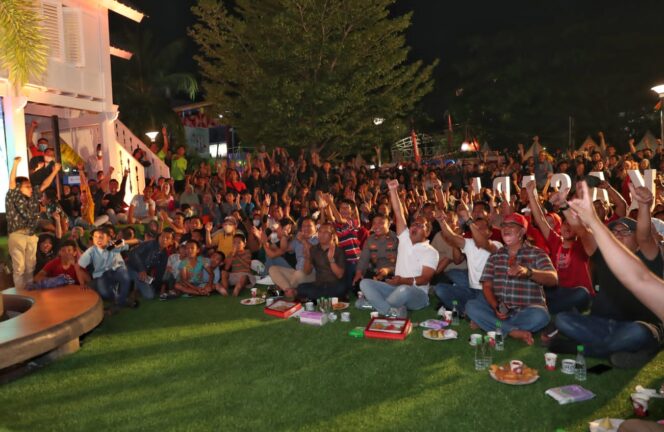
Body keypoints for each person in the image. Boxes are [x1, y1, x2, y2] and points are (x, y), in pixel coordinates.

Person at [554, 182, 663, 367]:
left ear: (636, 239)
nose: (618, 233)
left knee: (636, 333)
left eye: (625, 231)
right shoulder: (603, 256)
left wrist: (644, 206)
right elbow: (582, 231)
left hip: (637, 325)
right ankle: (625, 351)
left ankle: (582, 348)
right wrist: (564, 206)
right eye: (613, 231)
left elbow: (645, 235)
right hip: (601, 324)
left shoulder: (648, 256)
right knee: (562, 320)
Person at [465, 213, 558, 345]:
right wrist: (495, 307)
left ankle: (495, 326)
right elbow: (486, 286)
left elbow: (553, 279)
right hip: (500, 310)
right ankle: (512, 331)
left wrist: (528, 272)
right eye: (503, 225)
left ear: (523, 231)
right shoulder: (496, 256)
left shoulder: (537, 253)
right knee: (471, 306)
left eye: (511, 225)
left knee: (541, 316)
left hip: (527, 311)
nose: (505, 228)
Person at [359, 179, 439, 317]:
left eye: (420, 226)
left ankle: (375, 305)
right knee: (365, 283)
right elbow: (398, 212)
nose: (415, 226)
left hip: (417, 294)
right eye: (414, 224)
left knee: (404, 290)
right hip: (395, 288)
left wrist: (402, 281)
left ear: (427, 232)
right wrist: (393, 190)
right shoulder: (405, 237)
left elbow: (424, 279)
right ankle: (391, 311)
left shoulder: (431, 252)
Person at [6, 156, 61, 289]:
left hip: (31, 236)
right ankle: (20, 295)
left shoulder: (33, 197)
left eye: (30, 186)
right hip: (17, 235)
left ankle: (30, 292)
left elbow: (44, 185)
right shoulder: (13, 196)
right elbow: (12, 183)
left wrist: (54, 172)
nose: (31, 188)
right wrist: (15, 164)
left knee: (30, 268)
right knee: (19, 269)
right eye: (27, 186)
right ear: (19, 188)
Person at [433, 211, 501, 314]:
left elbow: (483, 243)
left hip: (488, 293)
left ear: (490, 233)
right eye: (474, 228)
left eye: (480, 229)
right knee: (440, 289)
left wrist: (469, 221)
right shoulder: (469, 244)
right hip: (471, 290)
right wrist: (441, 221)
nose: (476, 231)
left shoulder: (496, 245)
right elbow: (451, 237)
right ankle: (464, 312)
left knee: (472, 305)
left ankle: (472, 311)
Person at [78, 227, 134, 308]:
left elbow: (132, 242)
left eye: (100, 237)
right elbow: (80, 265)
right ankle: (120, 300)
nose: (97, 239)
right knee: (90, 290)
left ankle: (118, 302)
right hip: (100, 277)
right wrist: (82, 283)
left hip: (115, 273)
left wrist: (124, 241)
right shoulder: (92, 251)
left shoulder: (112, 245)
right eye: (94, 237)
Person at [290, 222, 346, 301]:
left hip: (334, 285)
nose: (321, 235)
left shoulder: (338, 250)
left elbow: (340, 275)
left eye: (325, 232)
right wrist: (307, 258)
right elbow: (307, 271)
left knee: (341, 288)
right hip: (319, 284)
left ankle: (316, 297)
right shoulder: (314, 249)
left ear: (332, 236)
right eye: (320, 232)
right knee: (301, 287)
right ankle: (325, 298)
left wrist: (331, 260)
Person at [269, 217, 318, 293]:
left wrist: (303, 240)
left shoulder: (318, 239)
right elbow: (284, 249)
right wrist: (284, 236)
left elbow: (311, 251)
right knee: (273, 269)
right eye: (303, 226)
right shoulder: (297, 240)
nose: (306, 228)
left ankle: (285, 288)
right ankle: (289, 290)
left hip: (311, 274)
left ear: (315, 228)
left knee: (298, 275)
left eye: (309, 226)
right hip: (296, 272)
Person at [126, 229, 175, 299]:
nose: (164, 239)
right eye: (162, 236)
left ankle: (135, 288)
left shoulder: (164, 255)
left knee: (150, 295)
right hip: (131, 268)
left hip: (143, 274)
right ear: (159, 237)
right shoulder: (150, 244)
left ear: (171, 242)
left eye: (167, 238)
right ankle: (132, 288)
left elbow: (160, 273)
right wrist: (141, 269)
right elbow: (133, 253)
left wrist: (155, 285)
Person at [352, 213, 398, 286]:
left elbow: (403, 262)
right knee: (357, 280)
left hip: (395, 273)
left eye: (380, 223)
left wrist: (388, 270)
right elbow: (363, 258)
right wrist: (358, 273)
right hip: (376, 272)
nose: (376, 226)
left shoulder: (397, 239)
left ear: (389, 224)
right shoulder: (370, 239)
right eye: (374, 223)